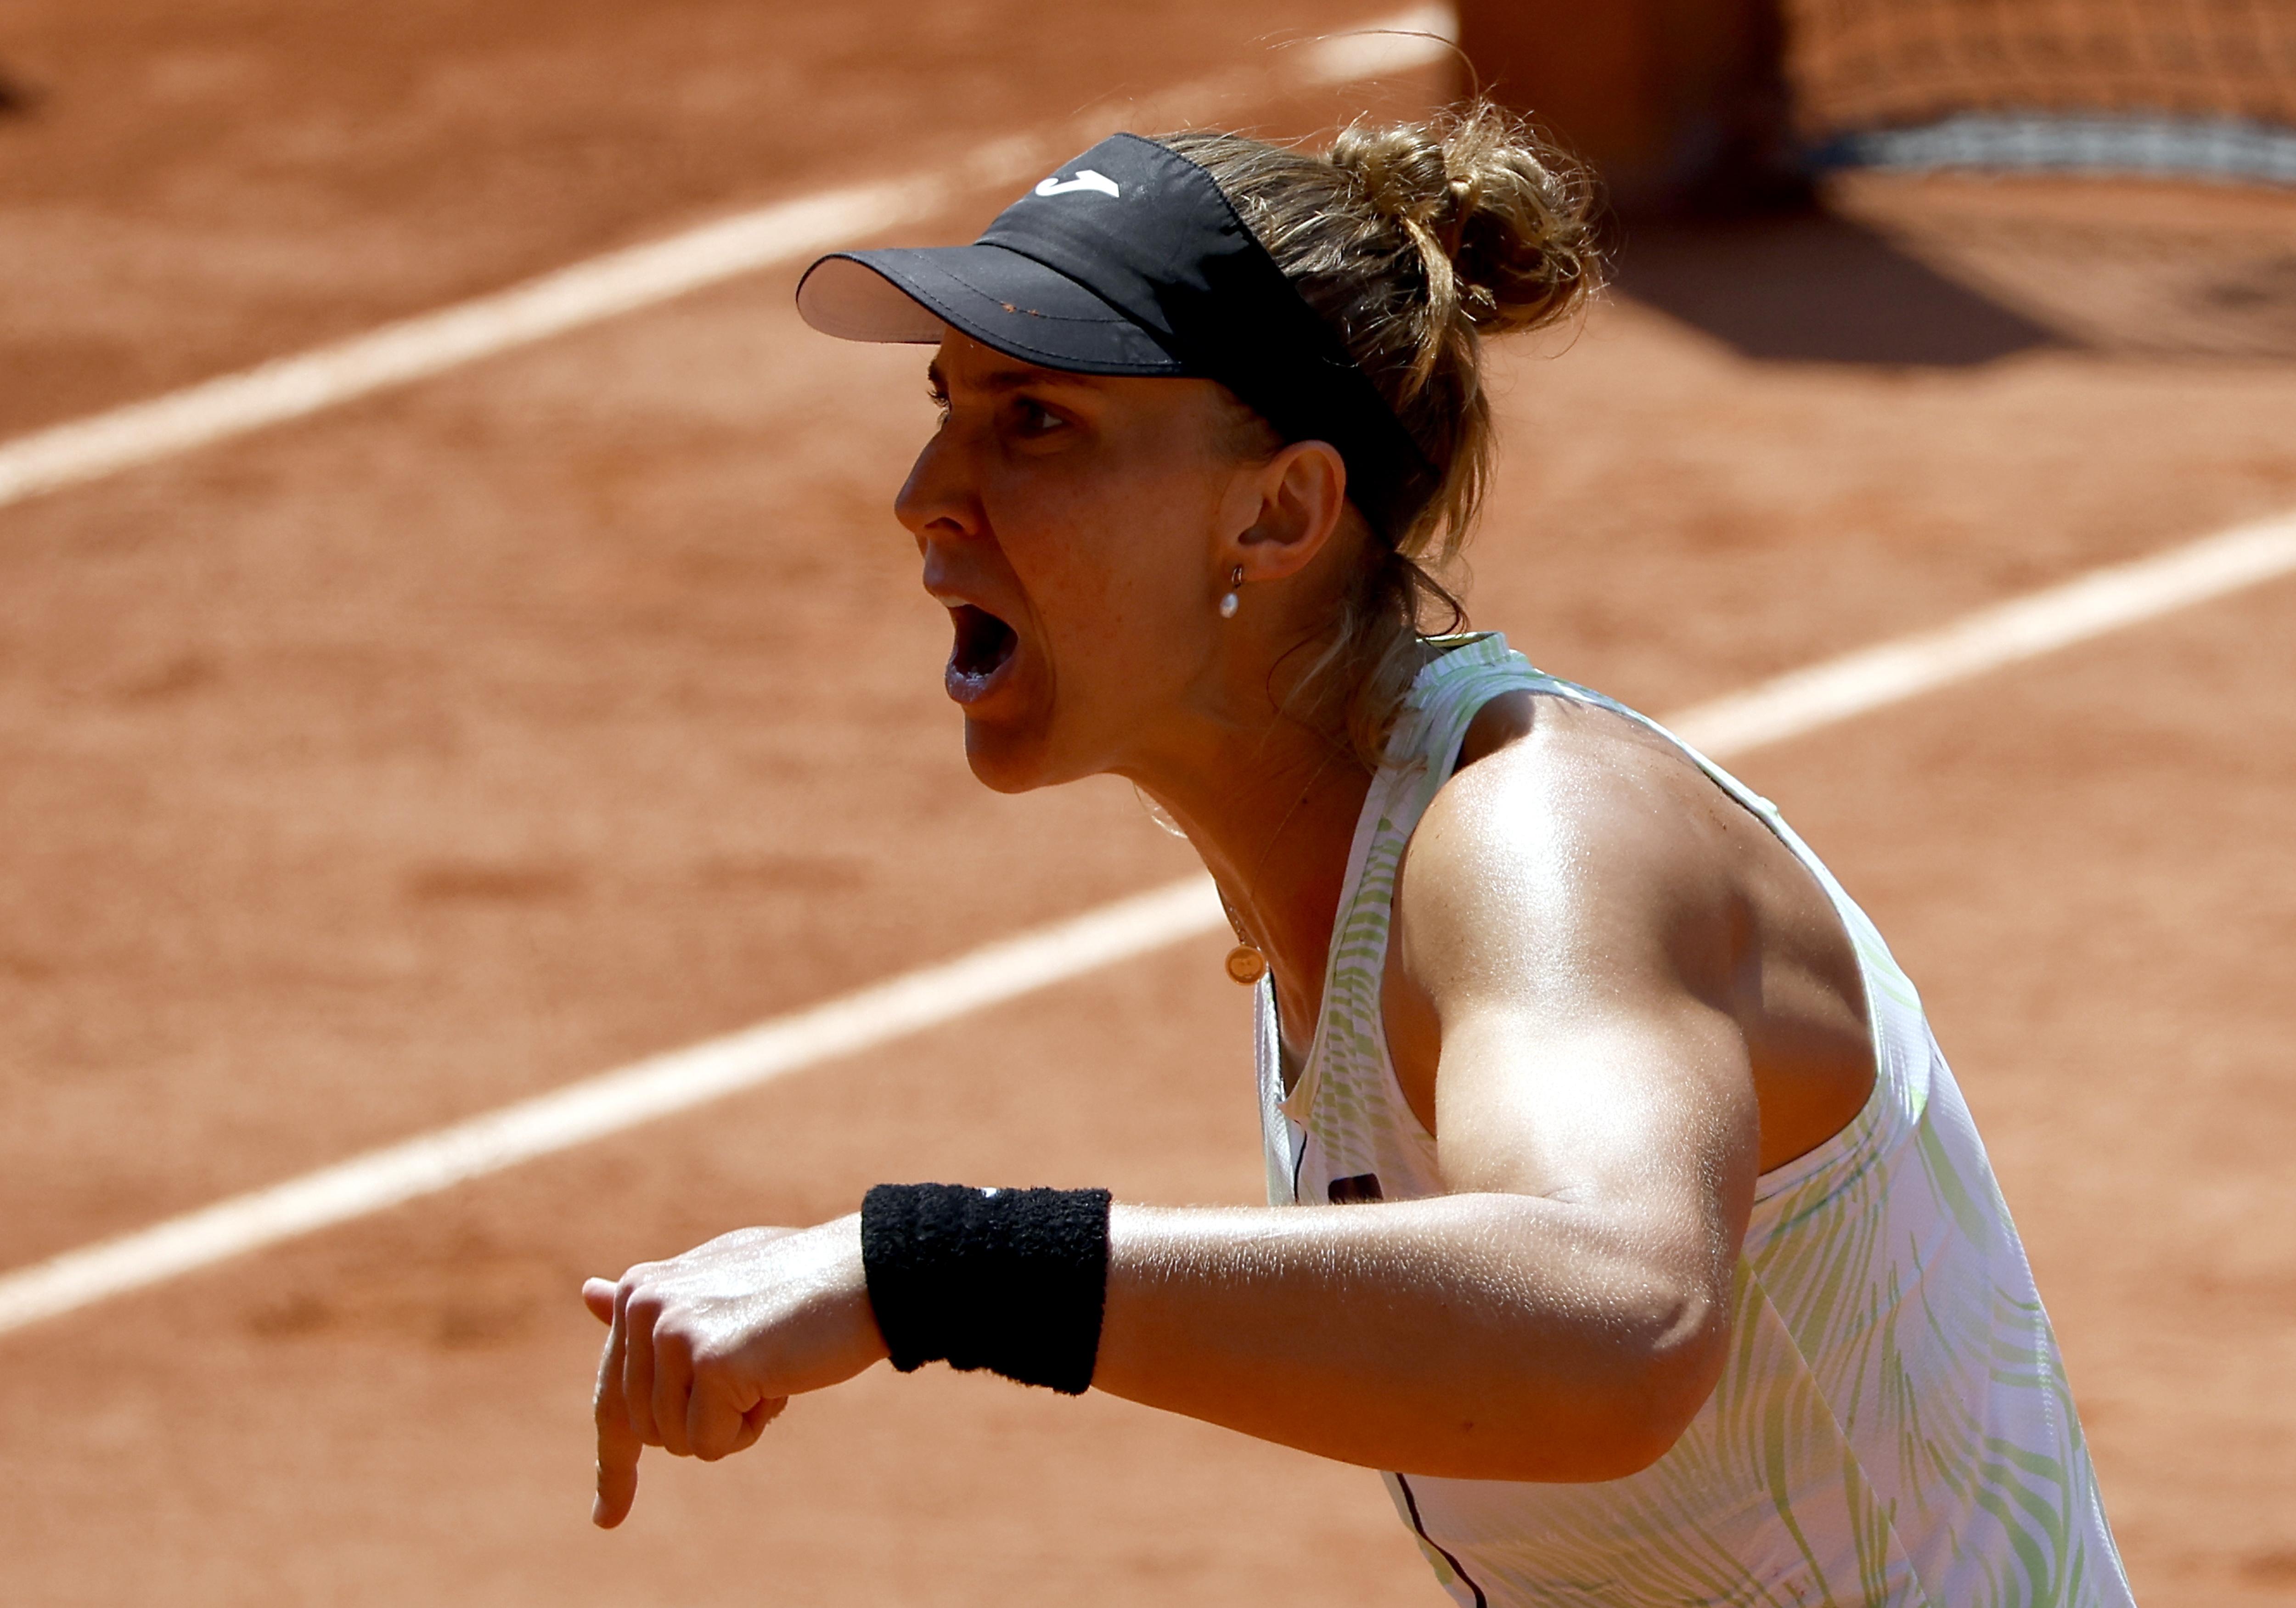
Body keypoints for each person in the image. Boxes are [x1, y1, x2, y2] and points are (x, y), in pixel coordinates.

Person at [583, 105, 2136, 1607]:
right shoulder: (1340, 878)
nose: (927, 494)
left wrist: (929, 1270)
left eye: (1035, 422)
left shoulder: (1540, 837)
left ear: (1279, 512)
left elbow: (1617, 1321)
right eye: (947, 403)